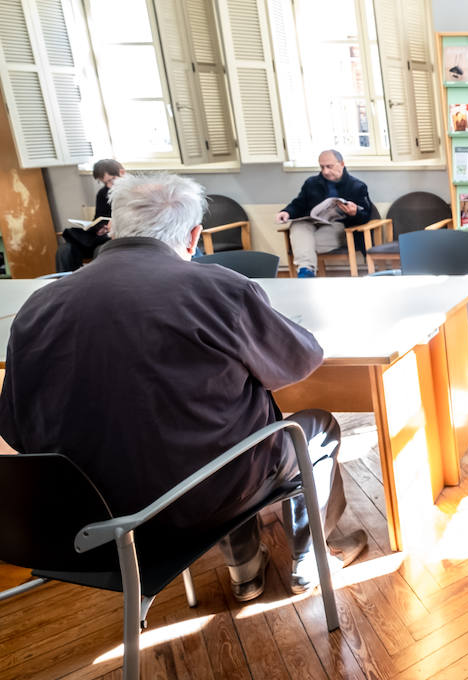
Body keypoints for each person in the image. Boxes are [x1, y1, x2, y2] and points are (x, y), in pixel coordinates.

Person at [0, 173, 366, 601]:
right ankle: (309, 560)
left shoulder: (39, 305)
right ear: (194, 237)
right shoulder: (218, 288)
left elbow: (16, 430)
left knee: (207, 428)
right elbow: (299, 361)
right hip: (199, 502)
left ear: (112, 229)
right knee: (312, 426)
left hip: (86, 519)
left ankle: (246, 571)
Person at [275, 150, 377, 278]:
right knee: (297, 225)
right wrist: (286, 212)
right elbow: (299, 204)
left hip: (337, 228)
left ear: (342, 164)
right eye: (322, 167)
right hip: (312, 224)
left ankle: (305, 271)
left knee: (303, 245)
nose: (325, 171)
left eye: (329, 166)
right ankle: (306, 270)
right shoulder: (311, 183)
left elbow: (366, 216)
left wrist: (355, 212)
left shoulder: (357, 186)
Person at [55, 158, 124, 272]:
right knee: (65, 250)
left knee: (101, 250)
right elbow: (99, 217)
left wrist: (115, 227)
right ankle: (68, 285)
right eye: (105, 183)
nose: (109, 186)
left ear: (122, 172)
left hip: (118, 237)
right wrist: (100, 228)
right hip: (102, 236)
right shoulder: (103, 193)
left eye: (111, 180)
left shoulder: (136, 191)